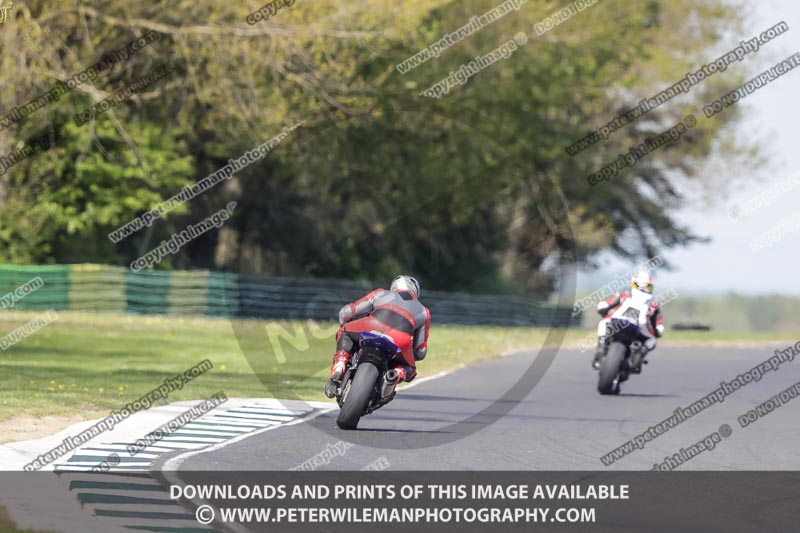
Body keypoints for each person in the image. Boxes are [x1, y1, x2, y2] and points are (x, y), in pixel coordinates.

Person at [324, 275, 430, 399]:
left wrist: (345, 323)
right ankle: (396, 374)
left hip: (371, 326)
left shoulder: (380, 294)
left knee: (345, 332)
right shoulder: (424, 311)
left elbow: (345, 312)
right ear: (415, 291)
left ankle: (340, 365)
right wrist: (405, 355)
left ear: (393, 287)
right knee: (410, 369)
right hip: (401, 340)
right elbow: (420, 352)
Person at [591, 272, 664, 370]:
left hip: (617, 321)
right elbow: (656, 323)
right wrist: (656, 331)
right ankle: (638, 355)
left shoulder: (625, 293)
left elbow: (607, 305)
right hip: (639, 327)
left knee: (603, 323)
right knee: (652, 340)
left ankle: (601, 347)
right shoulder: (654, 301)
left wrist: (603, 310)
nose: (642, 289)